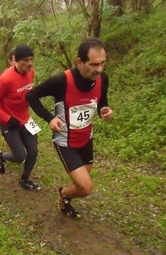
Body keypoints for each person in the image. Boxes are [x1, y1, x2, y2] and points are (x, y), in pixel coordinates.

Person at [26, 37, 113, 218]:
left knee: (82, 184)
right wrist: (49, 118)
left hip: (86, 138)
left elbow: (100, 103)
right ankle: (64, 194)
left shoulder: (102, 79)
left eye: (103, 63)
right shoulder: (62, 81)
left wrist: (104, 110)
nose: (99, 69)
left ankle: (65, 196)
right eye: (94, 64)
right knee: (86, 187)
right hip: (65, 141)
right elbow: (32, 96)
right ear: (79, 62)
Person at [0, 44, 41, 191]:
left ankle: (25, 179)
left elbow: (26, 92)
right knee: (20, 156)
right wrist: (7, 119)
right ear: (15, 60)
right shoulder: (5, 79)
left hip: (25, 118)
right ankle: (2, 156)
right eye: (25, 60)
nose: (29, 63)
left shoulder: (31, 72)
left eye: (31, 59)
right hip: (9, 122)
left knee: (33, 151)